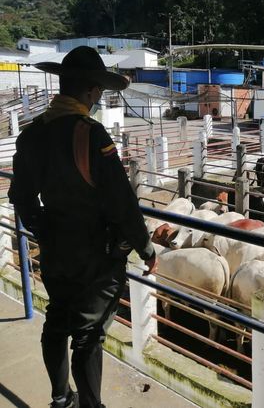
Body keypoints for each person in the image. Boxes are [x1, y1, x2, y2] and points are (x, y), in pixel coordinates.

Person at [8, 46, 157, 408]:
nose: (99, 97)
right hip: (95, 254)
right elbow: (122, 201)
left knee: (57, 321)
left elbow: (21, 196)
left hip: (55, 247)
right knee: (89, 336)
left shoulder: (32, 133)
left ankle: (61, 399)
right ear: (91, 91)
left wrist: (43, 230)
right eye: (99, 91)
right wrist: (145, 248)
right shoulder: (90, 134)